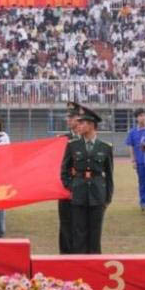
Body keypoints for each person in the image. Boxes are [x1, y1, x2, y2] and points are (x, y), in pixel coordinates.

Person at [60, 104, 112, 254]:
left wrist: (107, 197)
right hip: (79, 194)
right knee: (79, 232)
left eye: (82, 123)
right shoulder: (73, 146)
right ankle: (79, 262)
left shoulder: (105, 147)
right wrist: (71, 186)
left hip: (97, 194)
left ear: (91, 125)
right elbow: (64, 170)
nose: (79, 125)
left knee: (95, 232)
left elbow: (109, 176)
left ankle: (95, 262)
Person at [56, 103, 79, 254]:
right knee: (65, 222)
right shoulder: (62, 139)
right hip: (65, 187)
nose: (68, 120)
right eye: (68, 117)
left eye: (71, 117)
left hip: (82, 186)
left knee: (81, 223)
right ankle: (65, 254)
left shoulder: (86, 139)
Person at [125, 110, 145, 213]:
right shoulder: (133, 132)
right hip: (140, 161)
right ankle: (143, 202)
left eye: (144, 115)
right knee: (142, 181)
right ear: (136, 118)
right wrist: (133, 160)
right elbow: (130, 146)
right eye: (140, 116)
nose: (143, 118)